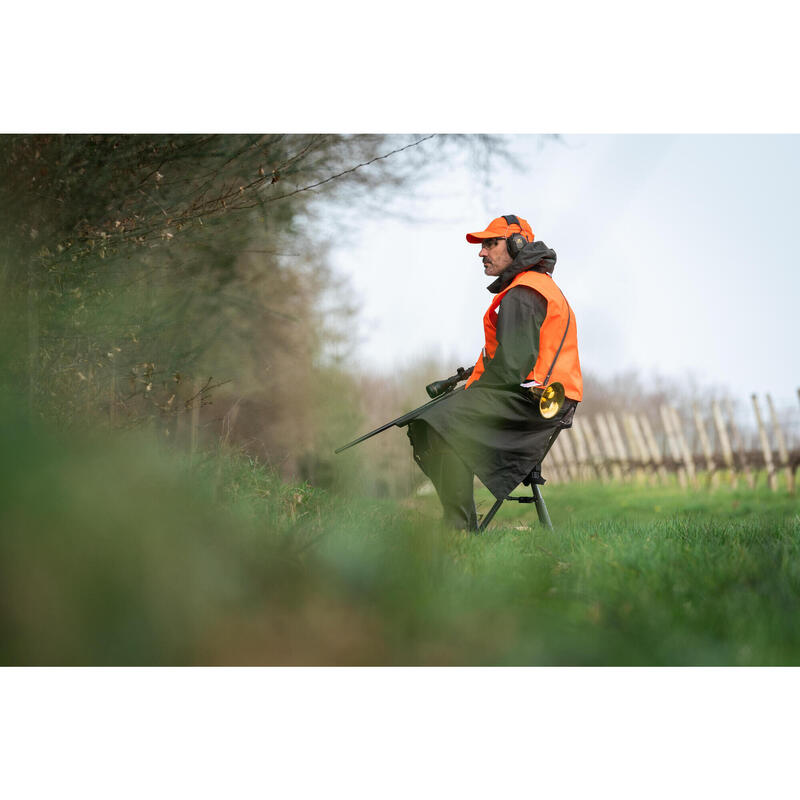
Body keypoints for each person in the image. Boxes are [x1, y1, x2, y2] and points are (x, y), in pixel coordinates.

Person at [407, 214, 583, 530]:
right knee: (438, 417)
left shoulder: (524, 292)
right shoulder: (531, 287)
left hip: (536, 406)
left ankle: (459, 529)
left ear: (517, 245)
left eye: (491, 243)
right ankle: (459, 524)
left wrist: (472, 393)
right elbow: (515, 360)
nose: (482, 252)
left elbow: (512, 368)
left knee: (439, 422)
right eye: (482, 245)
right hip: (537, 402)